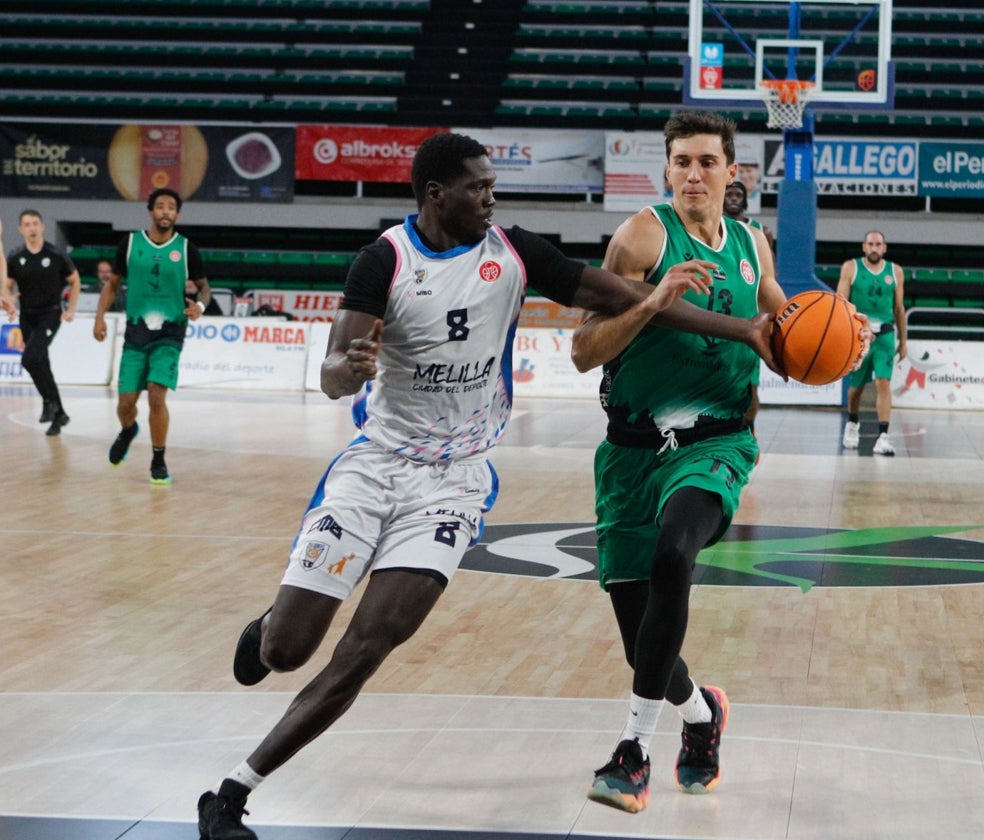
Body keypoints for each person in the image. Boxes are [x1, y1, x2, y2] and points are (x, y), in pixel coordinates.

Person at [195, 131, 777, 840]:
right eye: (478, 186)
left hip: (457, 480)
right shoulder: (385, 259)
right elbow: (330, 375)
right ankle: (269, 630)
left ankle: (232, 794)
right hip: (376, 464)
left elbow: (623, 295)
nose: (491, 196)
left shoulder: (515, 250)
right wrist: (351, 366)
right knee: (287, 651)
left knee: (369, 643)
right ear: (437, 195)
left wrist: (734, 327)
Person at [570, 111, 791, 815]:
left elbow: (784, 336)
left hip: (715, 443)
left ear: (733, 174)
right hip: (630, 451)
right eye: (681, 162)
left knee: (675, 558)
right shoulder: (641, 236)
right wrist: (652, 302)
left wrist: (829, 338)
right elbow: (584, 350)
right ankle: (701, 715)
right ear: (667, 170)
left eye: (706, 162)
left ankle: (631, 752)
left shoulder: (753, 245)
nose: (693, 174)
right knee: (643, 639)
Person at [93, 188, 210, 485]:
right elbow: (112, 285)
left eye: (172, 207)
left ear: (177, 214)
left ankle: (158, 459)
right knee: (125, 404)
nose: (166, 211)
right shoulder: (130, 243)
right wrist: (99, 317)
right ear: (151, 212)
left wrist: (200, 305)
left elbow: (204, 287)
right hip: (136, 332)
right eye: (160, 206)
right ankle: (128, 429)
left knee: (157, 394)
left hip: (170, 333)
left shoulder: (186, 249)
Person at [2, 209, 81, 436]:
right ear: (20, 229)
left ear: (42, 226)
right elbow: (7, 284)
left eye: (35, 223)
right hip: (27, 315)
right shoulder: (16, 256)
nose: (32, 228)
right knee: (42, 363)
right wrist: (7, 300)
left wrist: (71, 309)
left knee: (30, 358)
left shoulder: (55, 254)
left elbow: (75, 281)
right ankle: (59, 413)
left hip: (50, 314)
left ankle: (48, 402)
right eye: (27, 224)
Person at [837, 230, 906, 456]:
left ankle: (883, 437)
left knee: (883, 384)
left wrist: (903, 341)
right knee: (856, 388)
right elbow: (841, 303)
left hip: (885, 334)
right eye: (870, 244)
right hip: (860, 334)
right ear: (863, 247)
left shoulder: (895, 271)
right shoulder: (851, 268)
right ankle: (853, 423)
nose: (874, 247)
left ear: (884, 248)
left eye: (878, 244)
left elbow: (899, 308)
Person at [722, 179, 776, 253]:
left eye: (739, 195)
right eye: (729, 195)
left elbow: (769, 263)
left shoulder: (763, 231)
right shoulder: (714, 228)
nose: (734, 198)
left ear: (744, 200)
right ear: (722, 198)